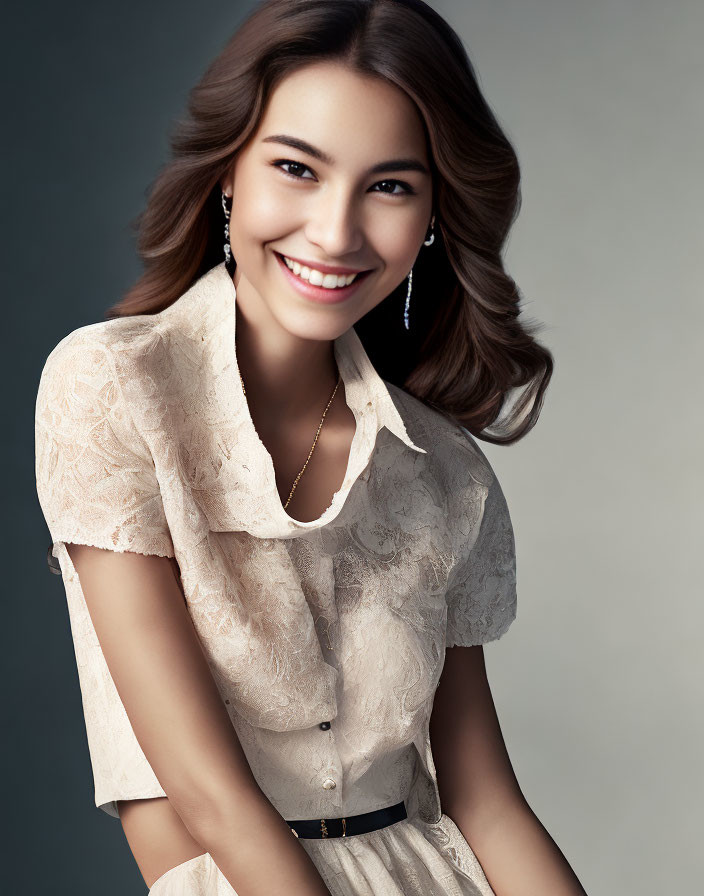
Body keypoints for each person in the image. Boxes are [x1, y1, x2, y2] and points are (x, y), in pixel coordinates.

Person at [35, 1, 586, 893]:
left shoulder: (444, 472)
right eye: (296, 168)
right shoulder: (111, 388)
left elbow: (486, 803)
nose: (335, 233)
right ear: (226, 174)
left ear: (435, 217)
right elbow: (204, 794)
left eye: (391, 186)